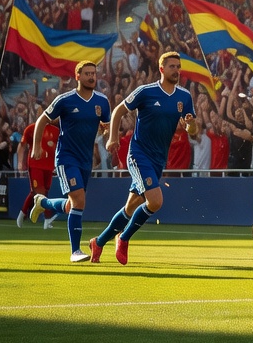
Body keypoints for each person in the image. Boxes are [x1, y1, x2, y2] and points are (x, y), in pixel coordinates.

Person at [91, 52, 198, 266]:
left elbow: (192, 129)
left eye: (178, 66)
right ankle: (124, 238)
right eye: (172, 66)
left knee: (132, 206)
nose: (176, 70)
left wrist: (190, 124)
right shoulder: (146, 92)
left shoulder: (184, 97)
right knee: (155, 201)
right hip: (139, 154)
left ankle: (99, 241)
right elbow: (119, 111)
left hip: (159, 159)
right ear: (161, 69)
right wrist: (113, 136)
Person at [29, 60, 111, 262]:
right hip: (66, 157)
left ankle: (43, 202)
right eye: (87, 73)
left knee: (72, 205)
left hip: (86, 160)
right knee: (80, 201)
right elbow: (42, 120)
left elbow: (107, 125)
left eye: (94, 73)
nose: (92, 77)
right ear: (78, 76)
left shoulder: (102, 101)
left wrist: (108, 134)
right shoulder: (64, 100)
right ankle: (75, 251)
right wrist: (37, 145)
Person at [17, 95, 61, 230]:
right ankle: (46, 218)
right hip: (35, 164)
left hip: (48, 166)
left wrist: (56, 163)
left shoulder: (55, 130)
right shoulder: (31, 128)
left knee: (41, 193)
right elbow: (22, 145)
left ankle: (23, 214)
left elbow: (59, 147)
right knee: (39, 192)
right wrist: (20, 162)